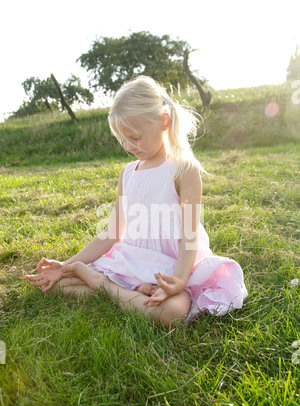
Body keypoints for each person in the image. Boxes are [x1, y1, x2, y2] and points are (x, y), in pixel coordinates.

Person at [23, 76, 248, 326]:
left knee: (174, 311)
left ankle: (101, 285)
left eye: (135, 137)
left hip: (173, 265)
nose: (129, 146)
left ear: (164, 121)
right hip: (132, 260)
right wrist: (65, 265)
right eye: (123, 140)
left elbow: (190, 235)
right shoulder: (128, 173)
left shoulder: (183, 169)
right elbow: (110, 233)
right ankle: (123, 289)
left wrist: (179, 280)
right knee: (55, 284)